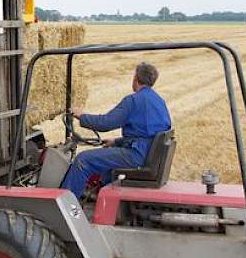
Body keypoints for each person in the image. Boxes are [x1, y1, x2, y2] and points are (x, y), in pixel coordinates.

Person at [62, 61, 172, 199]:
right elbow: (147, 133)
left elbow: (106, 123)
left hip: (137, 156)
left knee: (83, 160)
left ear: (135, 78)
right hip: (148, 154)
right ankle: (96, 196)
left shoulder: (133, 101)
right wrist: (117, 141)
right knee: (105, 156)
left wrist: (81, 116)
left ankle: (64, 206)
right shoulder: (158, 100)